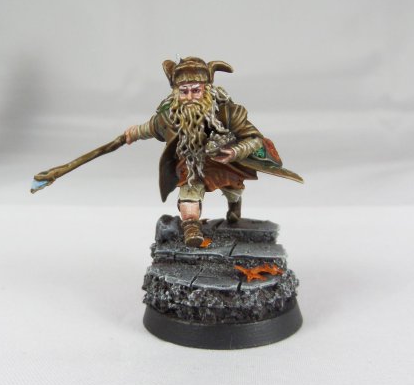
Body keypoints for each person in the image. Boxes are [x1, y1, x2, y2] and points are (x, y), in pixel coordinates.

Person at [124, 57, 302, 247]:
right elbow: (151, 127)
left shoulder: (227, 112)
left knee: (233, 189)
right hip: (190, 164)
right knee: (189, 193)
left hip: (223, 161)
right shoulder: (170, 116)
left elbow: (254, 138)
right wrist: (133, 133)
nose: (190, 97)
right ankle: (191, 229)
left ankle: (234, 205)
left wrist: (235, 151)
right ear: (176, 92)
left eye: (195, 90)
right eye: (184, 91)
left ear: (206, 89)